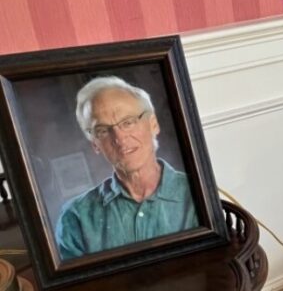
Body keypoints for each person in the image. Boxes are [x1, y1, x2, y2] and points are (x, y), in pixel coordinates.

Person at [55, 76, 198, 260]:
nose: (120, 138)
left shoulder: (196, 192)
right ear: (95, 144)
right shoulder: (75, 217)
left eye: (128, 122)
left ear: (153, 124)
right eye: (103, 130)